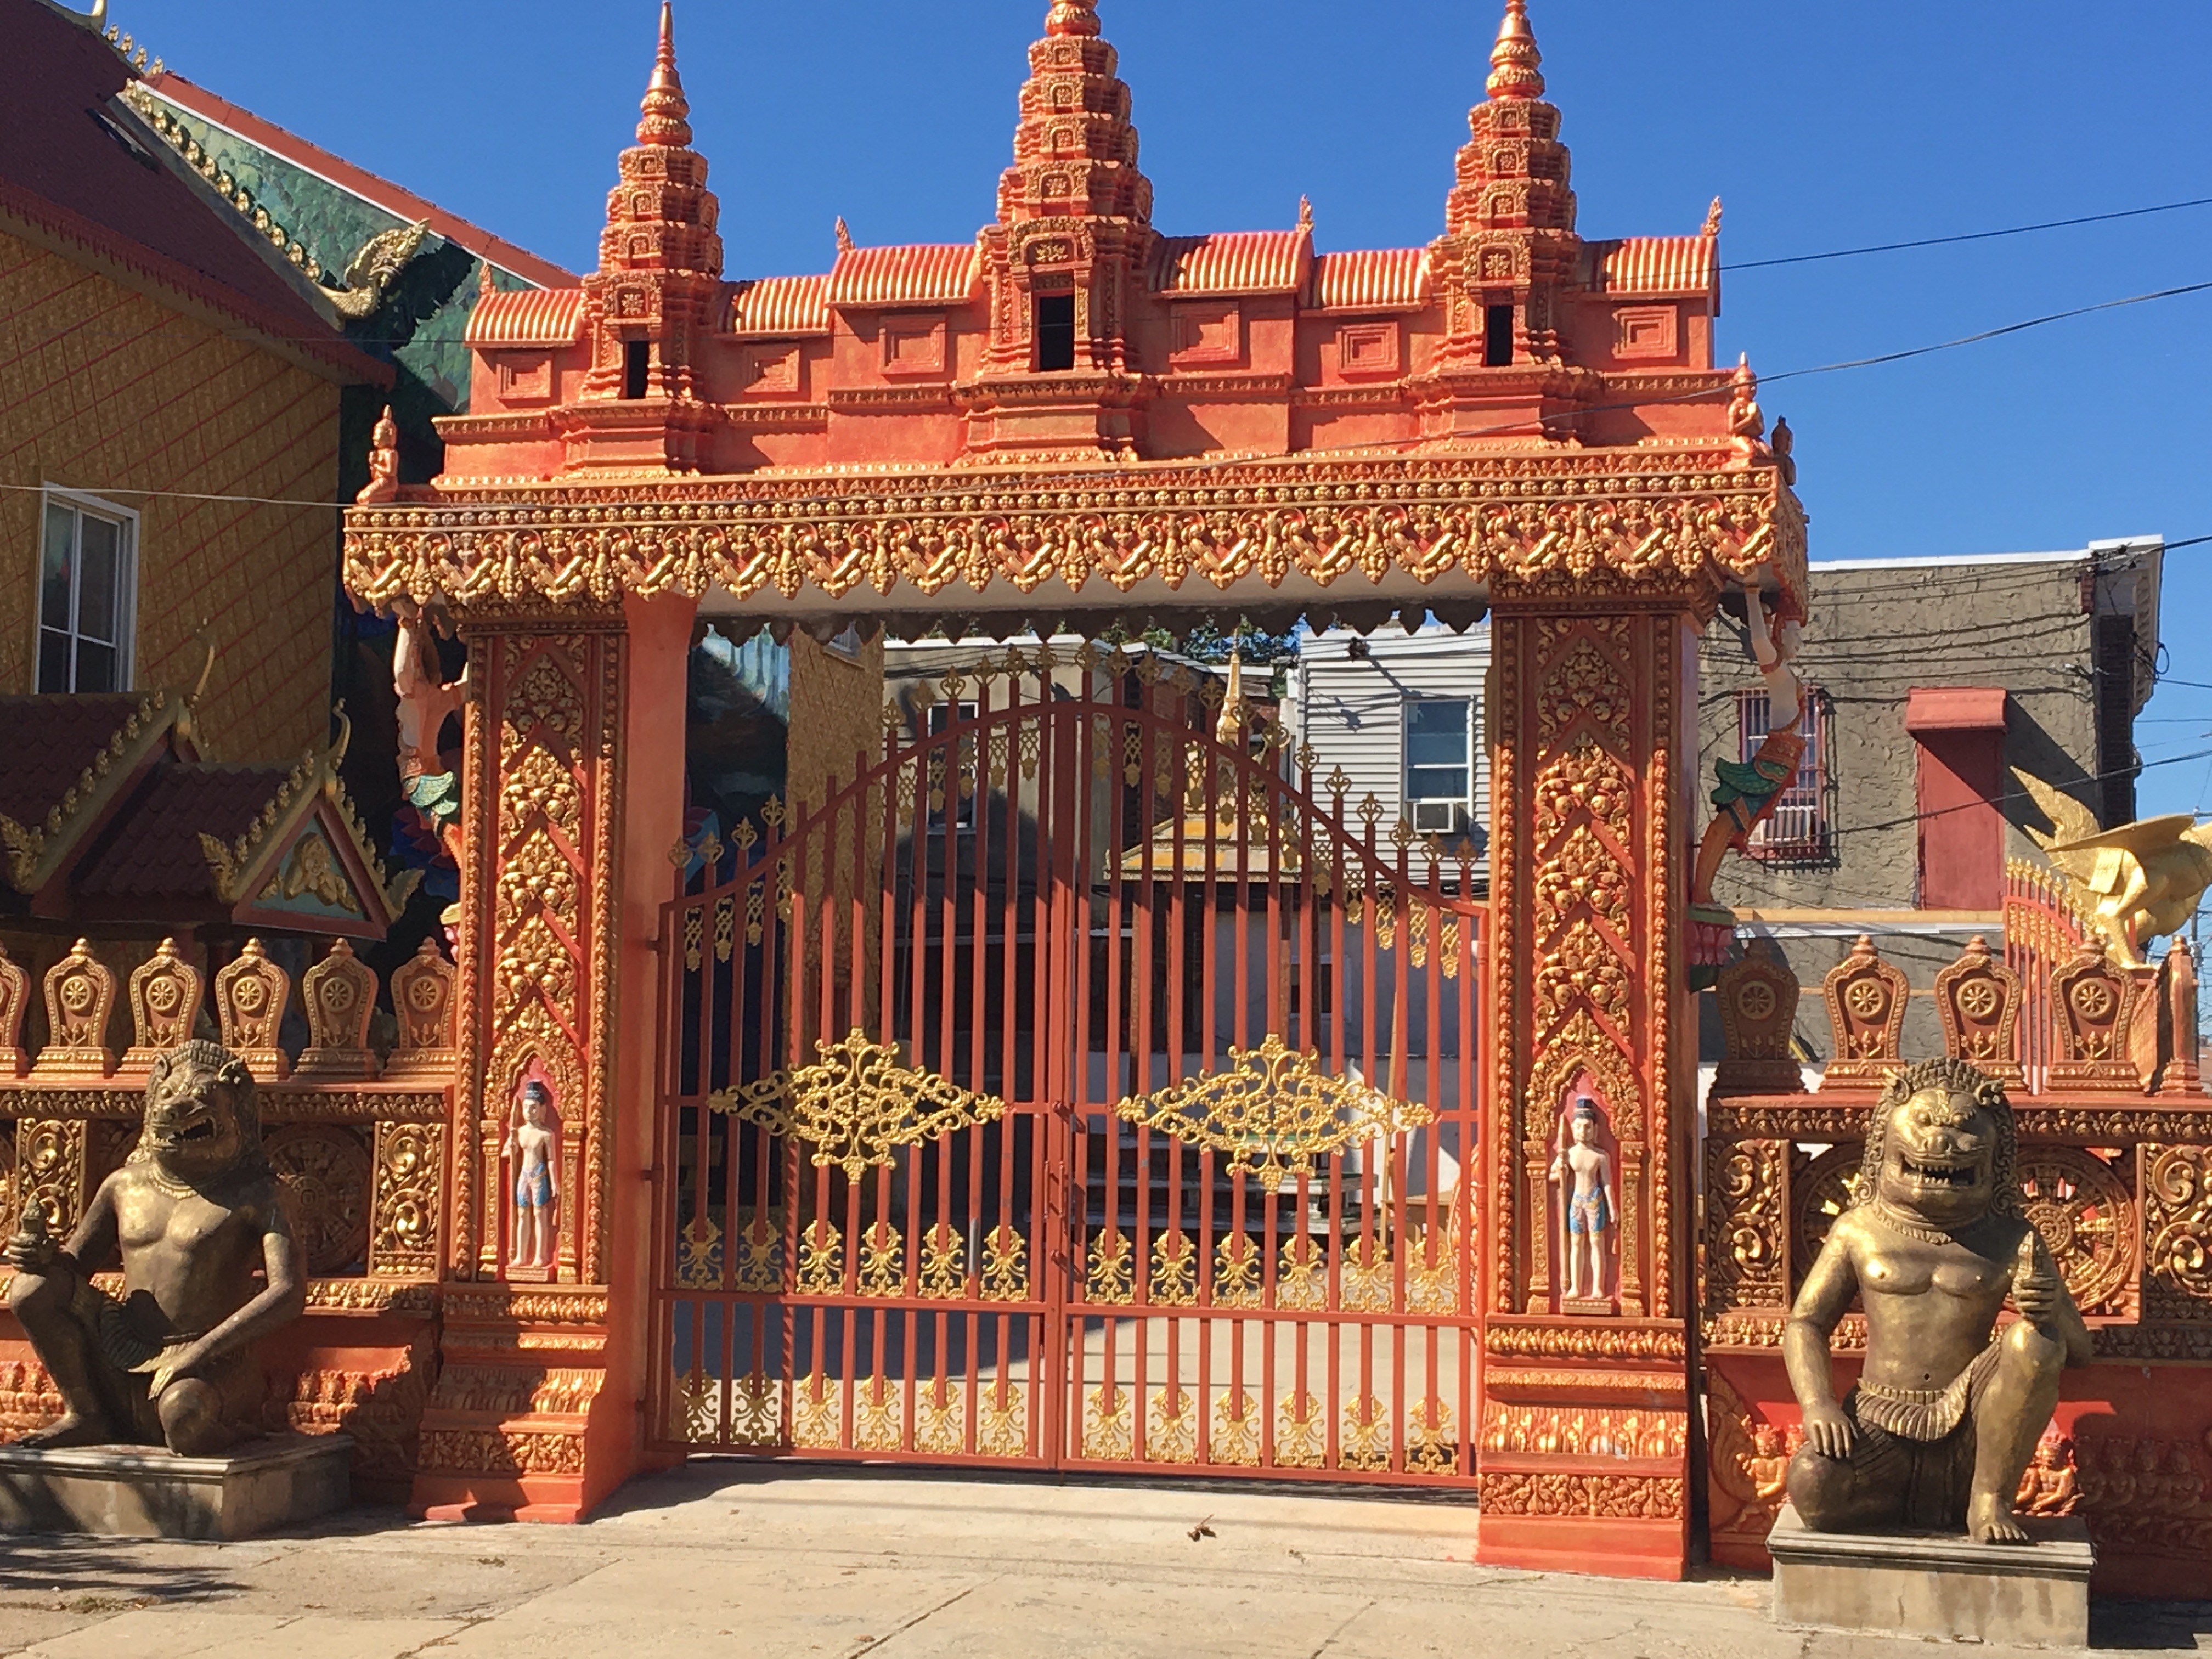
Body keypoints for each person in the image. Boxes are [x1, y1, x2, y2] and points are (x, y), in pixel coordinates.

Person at [1550, 1097, 1618, 1302]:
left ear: (1595, 1130)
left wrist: (1613, 1207)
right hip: (1577, 1202)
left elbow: (1607, 1183)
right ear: (1572, 1129)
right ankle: (1576, 1287)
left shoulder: (1600, 1156)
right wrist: (1560, 1170)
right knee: (1576, 1244)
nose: (1583, 1131)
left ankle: (1598, 1287)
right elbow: (1552, 1176)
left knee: (1597, 1243)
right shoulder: (1569, 1154)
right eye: (1579, 1127)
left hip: (1594, 1201)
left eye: (1588, 1127)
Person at [505, 1080, 561, 1269]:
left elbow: (551, 1160)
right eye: (526, 1108)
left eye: (534, 1108)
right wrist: (511, 1146)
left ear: (542, 1109)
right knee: (522, 1214)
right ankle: (521, 1256)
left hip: (539, 1174)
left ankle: (540, 1255)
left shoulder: (546, 1134)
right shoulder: (520, 1132)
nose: (529, 1112)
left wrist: (555, 1183)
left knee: (539, 1214)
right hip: (524, 1175)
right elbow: (506, 1153)